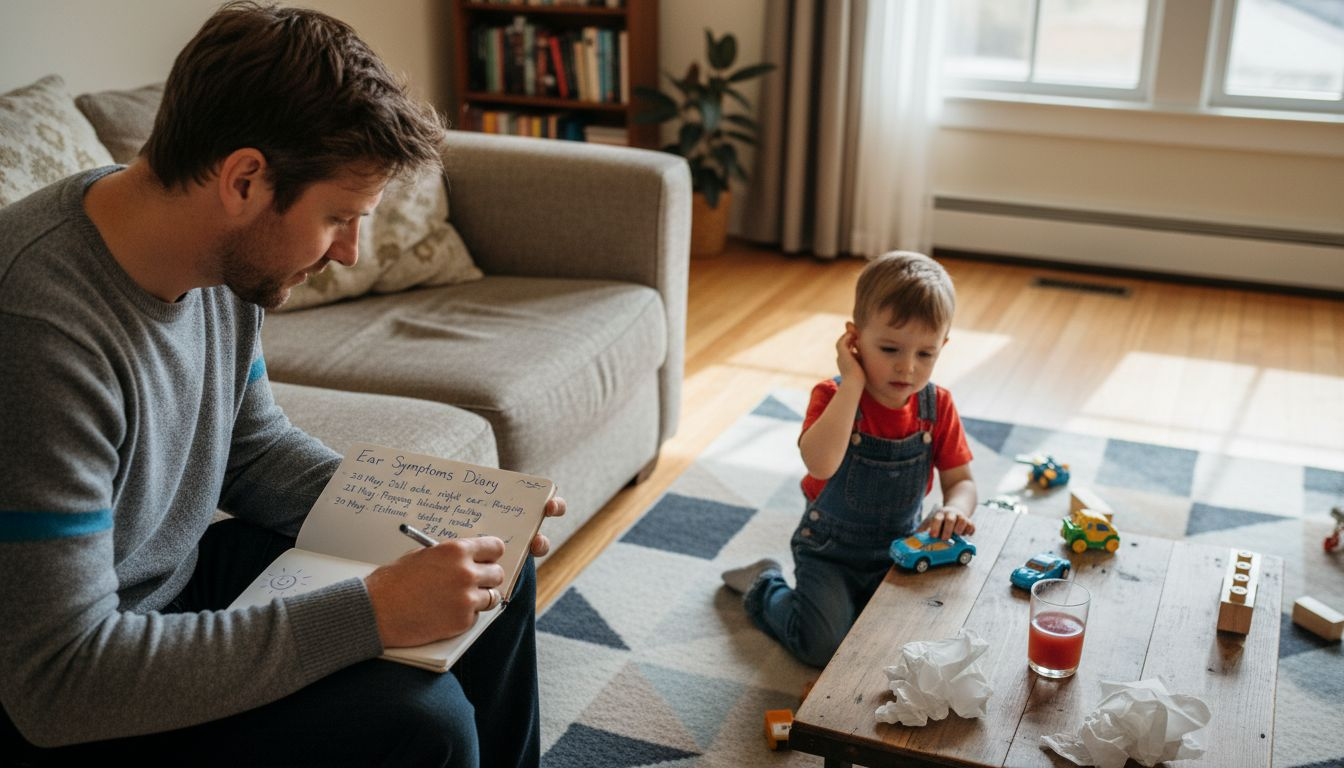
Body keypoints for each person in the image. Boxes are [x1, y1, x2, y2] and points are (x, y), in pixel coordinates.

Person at [0, 4, 563, 765]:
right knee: (423, 724)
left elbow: (251, 448)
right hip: (74, 684)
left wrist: (446, 507)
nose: (349, 253)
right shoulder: (41, 332)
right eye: (338, 217)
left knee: (493, 566)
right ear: (244, 180)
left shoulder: (216, 261)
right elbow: (58, 683)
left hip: (166, 592)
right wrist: (370, 612)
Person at [721, 251, 978, 668]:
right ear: (854, 339)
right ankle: (764, 584)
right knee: (822, 647)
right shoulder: (832, 396)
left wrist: (955, 507)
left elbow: (962, 480)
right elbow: (820, 465)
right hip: (829, 554)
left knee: (909, 642)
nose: (907, 368)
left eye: (925, 355)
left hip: (901, 551)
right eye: (890, 348)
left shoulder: (937, 405)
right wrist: (853, 382)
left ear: (942, 347)